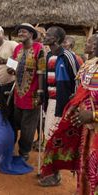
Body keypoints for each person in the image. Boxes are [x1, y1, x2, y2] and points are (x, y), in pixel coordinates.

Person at [38, 34, 98, 194]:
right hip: (84, 124)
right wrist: (76, 102)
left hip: (92, 122)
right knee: (84, 160)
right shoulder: (89, 65)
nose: (87, 44)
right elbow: (83, 91)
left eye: (90, 42)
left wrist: (93, 115)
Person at [8, 23, 46, 161]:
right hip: (18, 92)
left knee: (28, 126)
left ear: (31, 34)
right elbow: (14, 66)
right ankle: (15, 146)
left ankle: (24, 152)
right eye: (19, 32)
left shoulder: (39, 49)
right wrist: (11, 70)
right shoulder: (17, 48)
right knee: (17, 121)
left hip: (33, 93)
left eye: (24, 32)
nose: (21, 34)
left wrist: (41, 91)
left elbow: (41, 71)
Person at [43, 27, 80, 142]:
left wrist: (75, 102)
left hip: (63, 103)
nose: (45, 37)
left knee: (58, 135)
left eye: (48, 35)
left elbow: (77, 79)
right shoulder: (49, 55)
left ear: (56, 39)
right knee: (48, 133)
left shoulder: (67, 56)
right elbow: (47, 79)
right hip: (50, 101)